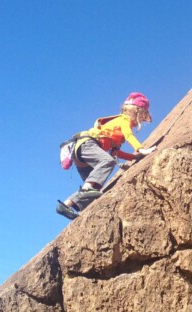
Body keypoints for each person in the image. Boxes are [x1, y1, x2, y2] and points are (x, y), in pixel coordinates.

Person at [56, 92, 157, 220]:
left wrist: (134, 158)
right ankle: (86, 190)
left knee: (95, 186)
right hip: (87, 144)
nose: (143, 119)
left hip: (81, 158)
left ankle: (66, 205)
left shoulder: (115, 133)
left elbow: (116, 153)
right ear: (138, 111)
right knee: (107, 163)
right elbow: (129, 135)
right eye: (144, 115)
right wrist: (141, 150)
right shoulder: (124, 120)